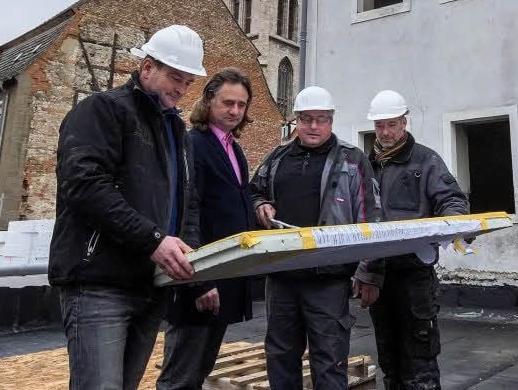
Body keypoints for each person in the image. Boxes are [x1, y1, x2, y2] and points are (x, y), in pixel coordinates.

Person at [49, 25, 207, 390]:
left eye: (187, 82)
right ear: (148, 67)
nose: (181, 89)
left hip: (151, 284)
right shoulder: (103, 110)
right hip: (99, 283)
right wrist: (153, 239)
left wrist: (193, 258)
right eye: (175, 77)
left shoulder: (177, 132)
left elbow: (188, 204)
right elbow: (84, 186)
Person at [250, 85, 383, 390]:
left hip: (329, 281)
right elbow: (253, 190)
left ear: (331, 121)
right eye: (306, 119)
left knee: (330, 361)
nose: (313, 126)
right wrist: (260, 204)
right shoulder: (276, 157)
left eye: (321, 119)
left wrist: (371, 272)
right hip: (282, 276)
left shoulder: (352, 159)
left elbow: (372, 218)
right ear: (296, 119)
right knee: (281, 357)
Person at [360, 90, 469, 390]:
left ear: (404, 122)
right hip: (379, 278)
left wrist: (455, 222)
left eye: (391, 124)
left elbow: (451, 198)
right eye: (380, 125)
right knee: (389, 358)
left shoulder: (425, 160)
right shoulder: (367, 165)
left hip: (414, 276)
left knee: (419, 359)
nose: (385, 132)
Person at [158, 68, 258, 390]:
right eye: (228, 103)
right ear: (209, 100)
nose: (235, 111)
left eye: (241, 105)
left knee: (198, 374)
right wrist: (199, 282)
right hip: (199, 280)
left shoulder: (234, 148)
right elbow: (188, 214)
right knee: (180, 379)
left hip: (224, 280)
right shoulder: (194, 145)